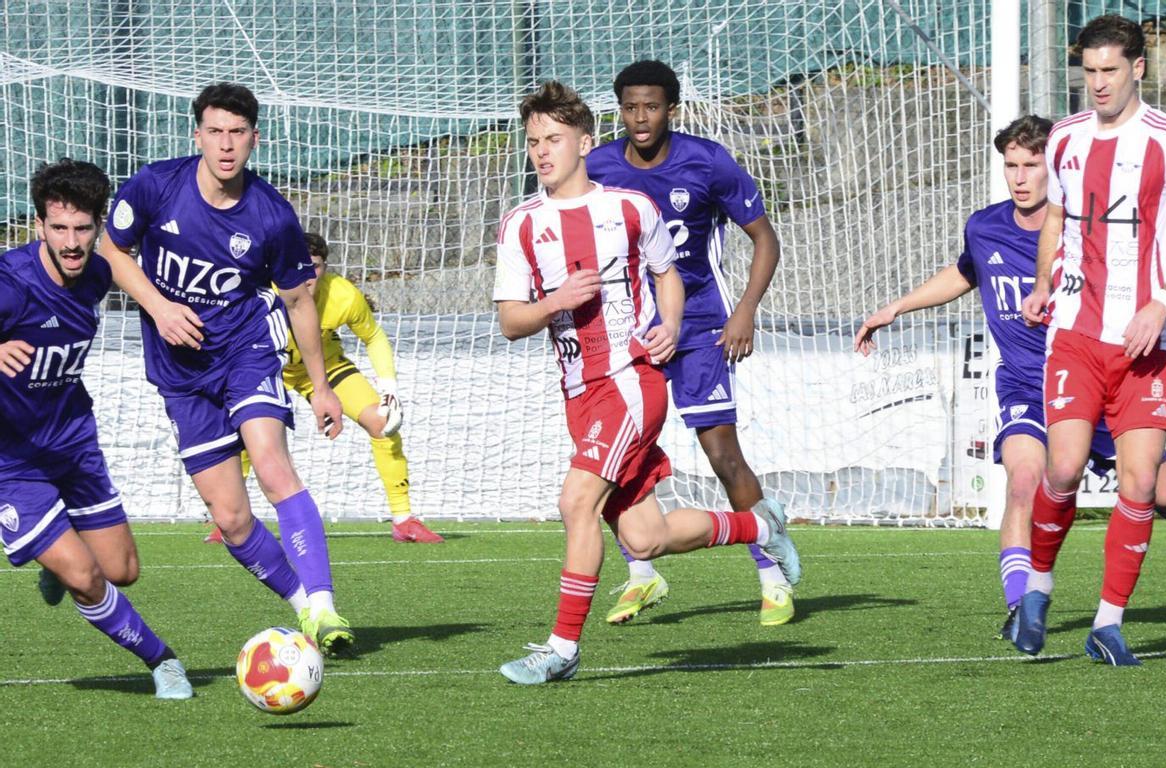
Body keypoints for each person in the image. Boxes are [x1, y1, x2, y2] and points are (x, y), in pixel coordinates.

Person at [492, 81, 801, 685]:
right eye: (533, 141)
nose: (542, 151)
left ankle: (561, 649)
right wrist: (554, 301)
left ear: (583, 142)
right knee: (647, 536)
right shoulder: (519, 227)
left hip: (631, 382)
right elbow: (509, 321)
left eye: (553, 138)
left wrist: (672, 325)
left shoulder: (629, 209)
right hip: (579, 392)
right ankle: (762, 525)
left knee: (575, 503)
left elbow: (670, 273)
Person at [856, 115, 1166, 641]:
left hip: (1099, 376)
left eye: (1031, 166)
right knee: (1024, 481)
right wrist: (898, 307)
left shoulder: (1089, 229)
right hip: (1026, 384)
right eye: (1010, 166)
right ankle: (1024, 609)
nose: (1018, 178)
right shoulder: (985, 226)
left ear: (1055, 168)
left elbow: (1138, 290)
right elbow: (966, 272)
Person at [98, 83, 354, 655]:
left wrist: (320, 388)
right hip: (181, 374)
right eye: (215, 131)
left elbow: (299, 302)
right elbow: (111, 252)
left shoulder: (271, 214)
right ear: (198, 135)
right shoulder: (156, 186)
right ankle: (301, 608)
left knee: (270, 461)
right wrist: (159, 307)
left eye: (238, 133)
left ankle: (325, 604)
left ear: (254, 139)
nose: (226, 144)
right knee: (233, 519)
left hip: (246, 352)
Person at [1018, 15, 1166, 665]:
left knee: (1142, 482)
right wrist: (1044, 281)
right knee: (1063, 467)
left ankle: (1108, 622)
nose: (1097, 84)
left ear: (1138, 70)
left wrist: (1162, 302)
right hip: (1076, 333)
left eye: (1109, 71)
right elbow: (1058, 219)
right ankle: (1038, 587)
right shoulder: (1065, 139)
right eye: (1088, 72)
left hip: (1145, 344)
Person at [586, 60, 792, 627]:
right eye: (629, 107)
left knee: (722, 454)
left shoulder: (707, 160)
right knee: (613, 462)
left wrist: (744, 312)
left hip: (701, 326)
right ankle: (643, 574)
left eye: (651, 106)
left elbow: (764, 239)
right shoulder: (599, 166)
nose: (640, 117)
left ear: (670, 108)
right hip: (631, 333)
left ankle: (773, 574)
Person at [0, 159, 192, 698]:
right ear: (38, 226)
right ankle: (163, 661)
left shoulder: (100, 277)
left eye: (83, 228)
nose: (71, 241)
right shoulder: (10, 285)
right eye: (58, 228)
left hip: (73, 442)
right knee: (86, 576)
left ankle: (60, 563)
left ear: (98, 227)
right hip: (11, 462)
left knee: (122, 570)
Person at [203, 232, 442, 544]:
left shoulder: (343, 295)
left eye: (313, 266)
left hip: (326, 369)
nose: (306, 273)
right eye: (297, 264)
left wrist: (389, 388)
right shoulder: (259, 291)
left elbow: (373, 337)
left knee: (383, 423)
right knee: (246, 433)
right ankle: (229, 522)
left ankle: (403, 519)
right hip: (266, 367)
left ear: (325, 267)